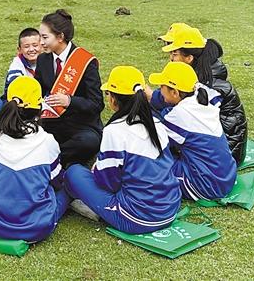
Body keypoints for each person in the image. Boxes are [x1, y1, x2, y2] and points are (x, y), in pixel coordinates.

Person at [64, 66, 181, 233]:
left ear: (113, 99)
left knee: (73, 173)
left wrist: (97, 168)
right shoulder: (156, 123)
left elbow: (107, 182)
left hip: (137, 218)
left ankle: (91, 208)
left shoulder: (115, 130)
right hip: (170, 209)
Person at [0, 76, 69, 242]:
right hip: (35, 228)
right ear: (39, 108)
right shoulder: (47, 141)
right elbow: (57, 181)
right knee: (70, 180)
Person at [149, 24, 248, 164]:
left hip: (226, 154)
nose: (170, 58)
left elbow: (180, 112)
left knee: (159, 124)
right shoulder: (200, 72)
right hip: (218, 151)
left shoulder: (206, 85)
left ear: (189, 57)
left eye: (174, 53)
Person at [148, 61, 237, 200]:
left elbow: (154, 140)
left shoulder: (179, 114)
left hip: (206, 185)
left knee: (151, 166)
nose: (160, 90)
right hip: (227, 176)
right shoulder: (201, 98)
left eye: (161, 87)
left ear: (175, 92)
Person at [33, 9, 104, 167]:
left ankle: (50, 160)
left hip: (81, 124)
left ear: (60, 37)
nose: (41, 43)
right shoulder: (43, 59)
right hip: (51, 121)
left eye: (45, 37)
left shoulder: (85, 61)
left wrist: (69, 101)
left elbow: (97, 104)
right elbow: (38, 90)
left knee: (89, 142)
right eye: (40, 37)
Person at [2, 27, 41, 97]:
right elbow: (16, 85)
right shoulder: (17, 64)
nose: (31, 49)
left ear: (42, 46)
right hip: (20, 98)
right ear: (19, 50)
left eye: (35, 45)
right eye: (26, 47)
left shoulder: (48, 60)